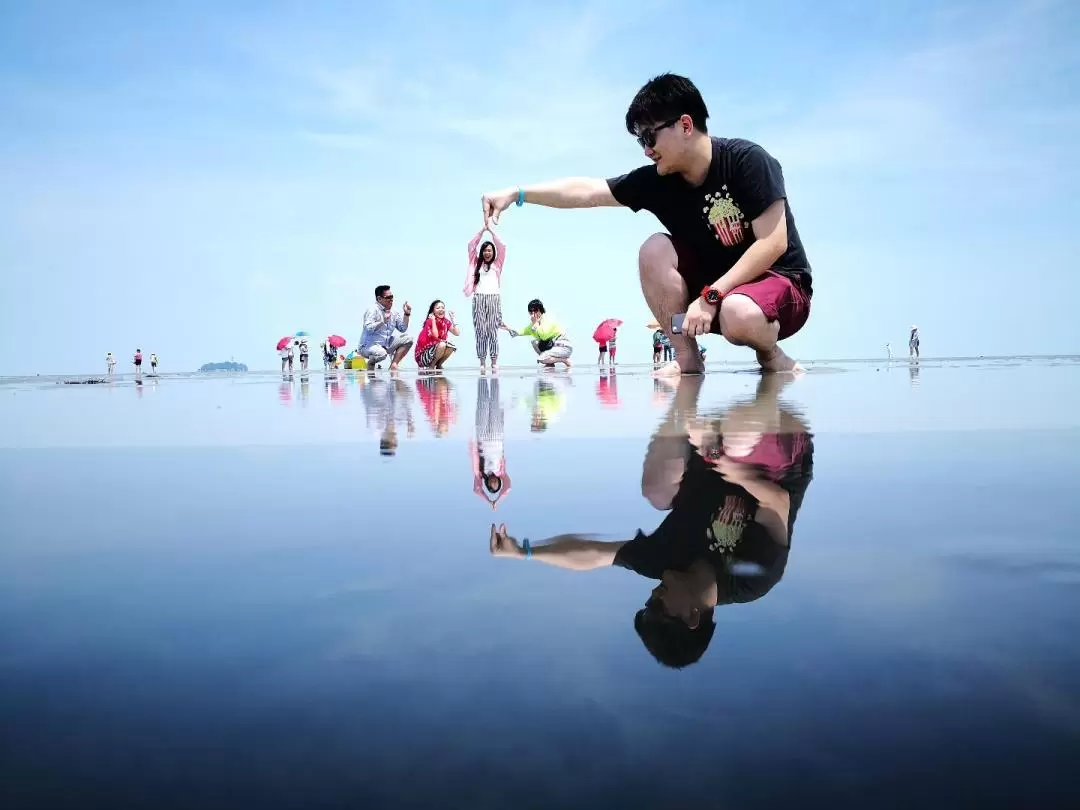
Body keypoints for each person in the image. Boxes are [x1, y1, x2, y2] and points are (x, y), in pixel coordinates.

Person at [480, 73, 812, 376]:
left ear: (685, 125)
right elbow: (587, 191)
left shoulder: (747, 161)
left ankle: (771, 356)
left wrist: (712, 296)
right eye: (641, 141)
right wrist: (518, 193)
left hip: (779, 287)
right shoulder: (658, 182)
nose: (647, 150)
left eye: (650, 137)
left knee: (738, 312)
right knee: (654, 250)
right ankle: (686, 357)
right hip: (713, 300)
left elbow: (773, 243)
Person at [489, 373, 814, 668]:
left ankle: (684, 389)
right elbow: (777, 500)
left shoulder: (662, 564)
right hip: (775, 462)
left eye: (648, 603)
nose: (653, 595)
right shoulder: (751, 580)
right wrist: (721, 457)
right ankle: (768, 379)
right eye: (658, 607)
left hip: (710, 447)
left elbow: (592, 554)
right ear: (691, 617)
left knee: (657, 491)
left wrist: (525, 552)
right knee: (738, 438)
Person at [464, 229, 514, 374]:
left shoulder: (498, 264)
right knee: (480, 331)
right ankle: (481, 361)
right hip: (479, 298)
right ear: (482, 252)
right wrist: (481, 231)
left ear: (493, 253)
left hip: (493, 298)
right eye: (485, 250)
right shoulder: (475, 262)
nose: (487, 253)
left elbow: (502, 246)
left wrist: (491, 231)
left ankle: (493, 361)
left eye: (490, 250)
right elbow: (470, 245)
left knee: (492, 331)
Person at [359, 285, 413, 371]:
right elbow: (368, 328)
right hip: (368, 346)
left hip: (386, 344)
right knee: (382, 354)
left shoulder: (394, 311)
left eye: (392, 297)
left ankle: (394, 365)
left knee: (408, 339)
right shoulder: (372, 310)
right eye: (388, 297)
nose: (391, 299)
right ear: (379, 299)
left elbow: (402, 328)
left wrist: (406, 314)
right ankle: (371, 362)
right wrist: (382, 321)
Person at [511, 299, 573, 368]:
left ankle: (564, 360)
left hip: (564, 347)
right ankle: (550, 363)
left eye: (535, 310)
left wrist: (535, 324)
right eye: (531, 312)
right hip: (554, 345)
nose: (533, 313)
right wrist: (509, 330)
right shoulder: (536, 323)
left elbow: (544, 336)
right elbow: (524, 331)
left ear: (541, 310)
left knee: (542, 359)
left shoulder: (548, 319)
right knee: (534, 342)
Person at [415, 299, 461, 371]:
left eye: (442, 307)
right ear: (433, 311)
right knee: (443, 344)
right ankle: (432, 366)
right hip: (424, 356)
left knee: (450, 347)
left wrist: (453, 319)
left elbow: (457, 333)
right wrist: (433, 320)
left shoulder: (445, 321)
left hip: (434, 351)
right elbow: (435, 335)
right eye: (438, 308)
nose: (441, 309)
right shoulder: (429, 321)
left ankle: (439, 364)